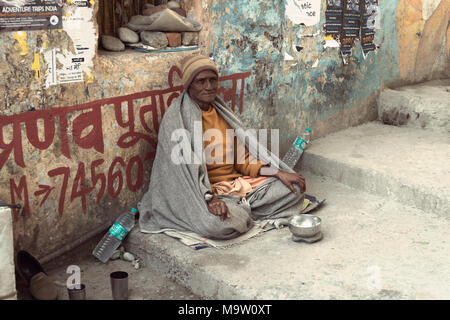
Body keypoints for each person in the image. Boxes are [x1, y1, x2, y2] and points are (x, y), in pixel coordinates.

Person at [138, 55, 306, 240]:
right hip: (202, 192)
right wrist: (210, 199)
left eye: (212, 80)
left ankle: (240, 211)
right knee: (215, 225)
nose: (209, 87)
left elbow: (244, 161)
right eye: (201, 82)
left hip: (236, 186)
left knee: (294, 189)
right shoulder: (176, 119)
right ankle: (239, 212)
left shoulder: (221, 113)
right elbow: (182, 175)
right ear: (188, 85)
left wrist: (277, 173)